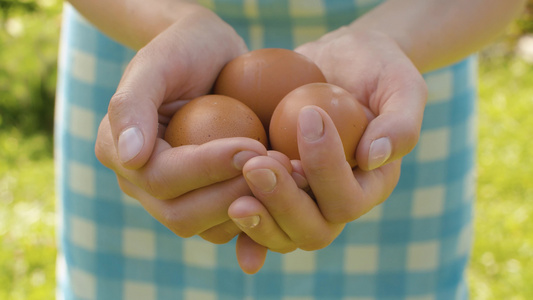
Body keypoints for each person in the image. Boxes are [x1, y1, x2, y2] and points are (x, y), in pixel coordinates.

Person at [56, 0, 526, 299]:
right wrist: (171, 21)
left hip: (397, 69)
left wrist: (392, 39)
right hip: (152, 55)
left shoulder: (361, 109)